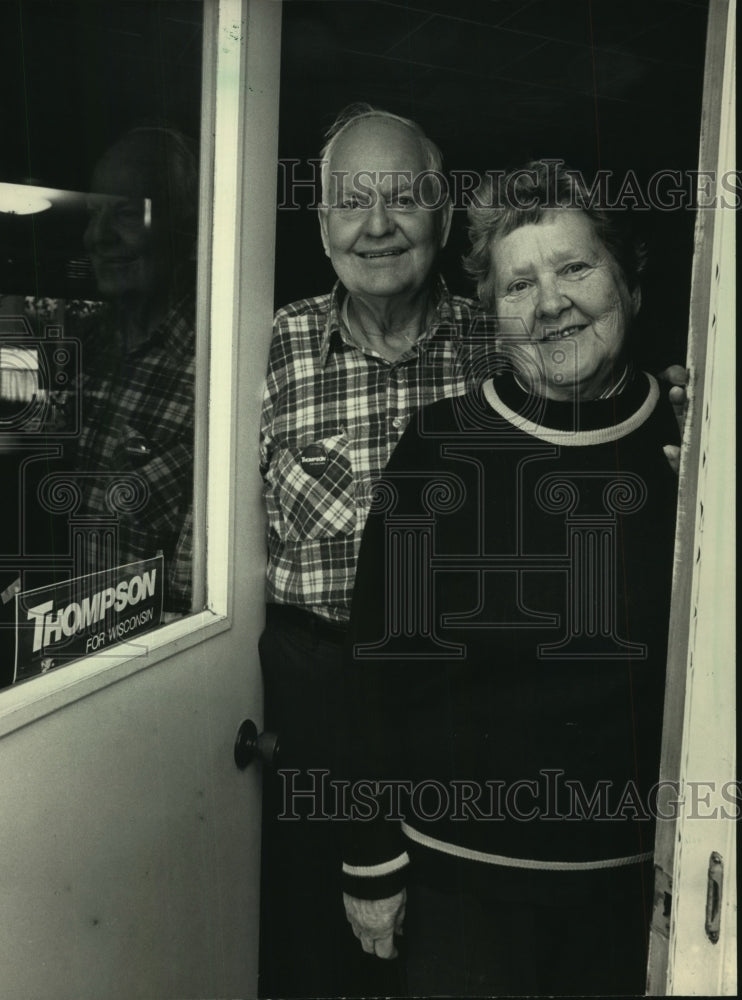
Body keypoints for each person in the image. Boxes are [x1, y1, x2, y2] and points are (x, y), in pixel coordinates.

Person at [341, 160, 680, 997]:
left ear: (629, 284)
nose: (551, 303)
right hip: (463, 887)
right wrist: (371, 858)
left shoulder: (693, 445)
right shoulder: (438, 448)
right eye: (518, 284)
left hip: (637, 886)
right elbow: (375, 672)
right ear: (493, 315)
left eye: (575, 268)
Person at [257, 104, 478, 998]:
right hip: (312, 710)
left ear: (446, 216)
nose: (377, 226)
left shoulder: (510, 344)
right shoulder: (268, 347)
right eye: (351, 202)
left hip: (460, 723)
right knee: (308, 968)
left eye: (404, 198)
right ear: (320, 223)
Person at [72, 124, 197, 613]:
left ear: (186, 231)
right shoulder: (85, 350)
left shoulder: (220, 368)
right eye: (93, 213)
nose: (96, 237)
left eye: (124, 213)